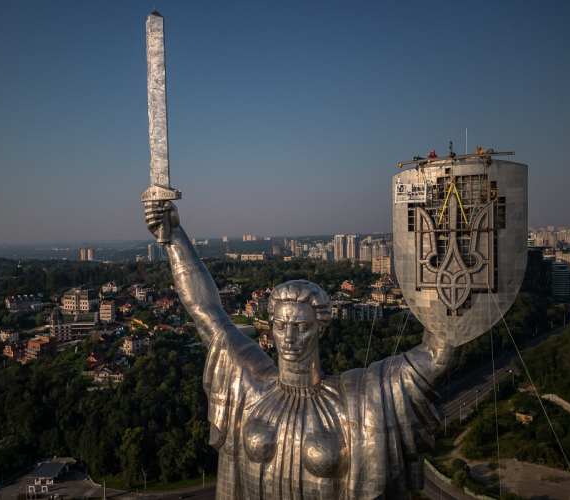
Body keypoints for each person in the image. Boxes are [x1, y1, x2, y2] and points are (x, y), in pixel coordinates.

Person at [145, 202, 458, 500]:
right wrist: (173, 236)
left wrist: (446, 253)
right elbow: (205, 308)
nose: (288, 338)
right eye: (280, 326)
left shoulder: (358, 401)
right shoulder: (249, 385)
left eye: (301, 327)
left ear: (320, 327)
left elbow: (438, 356)